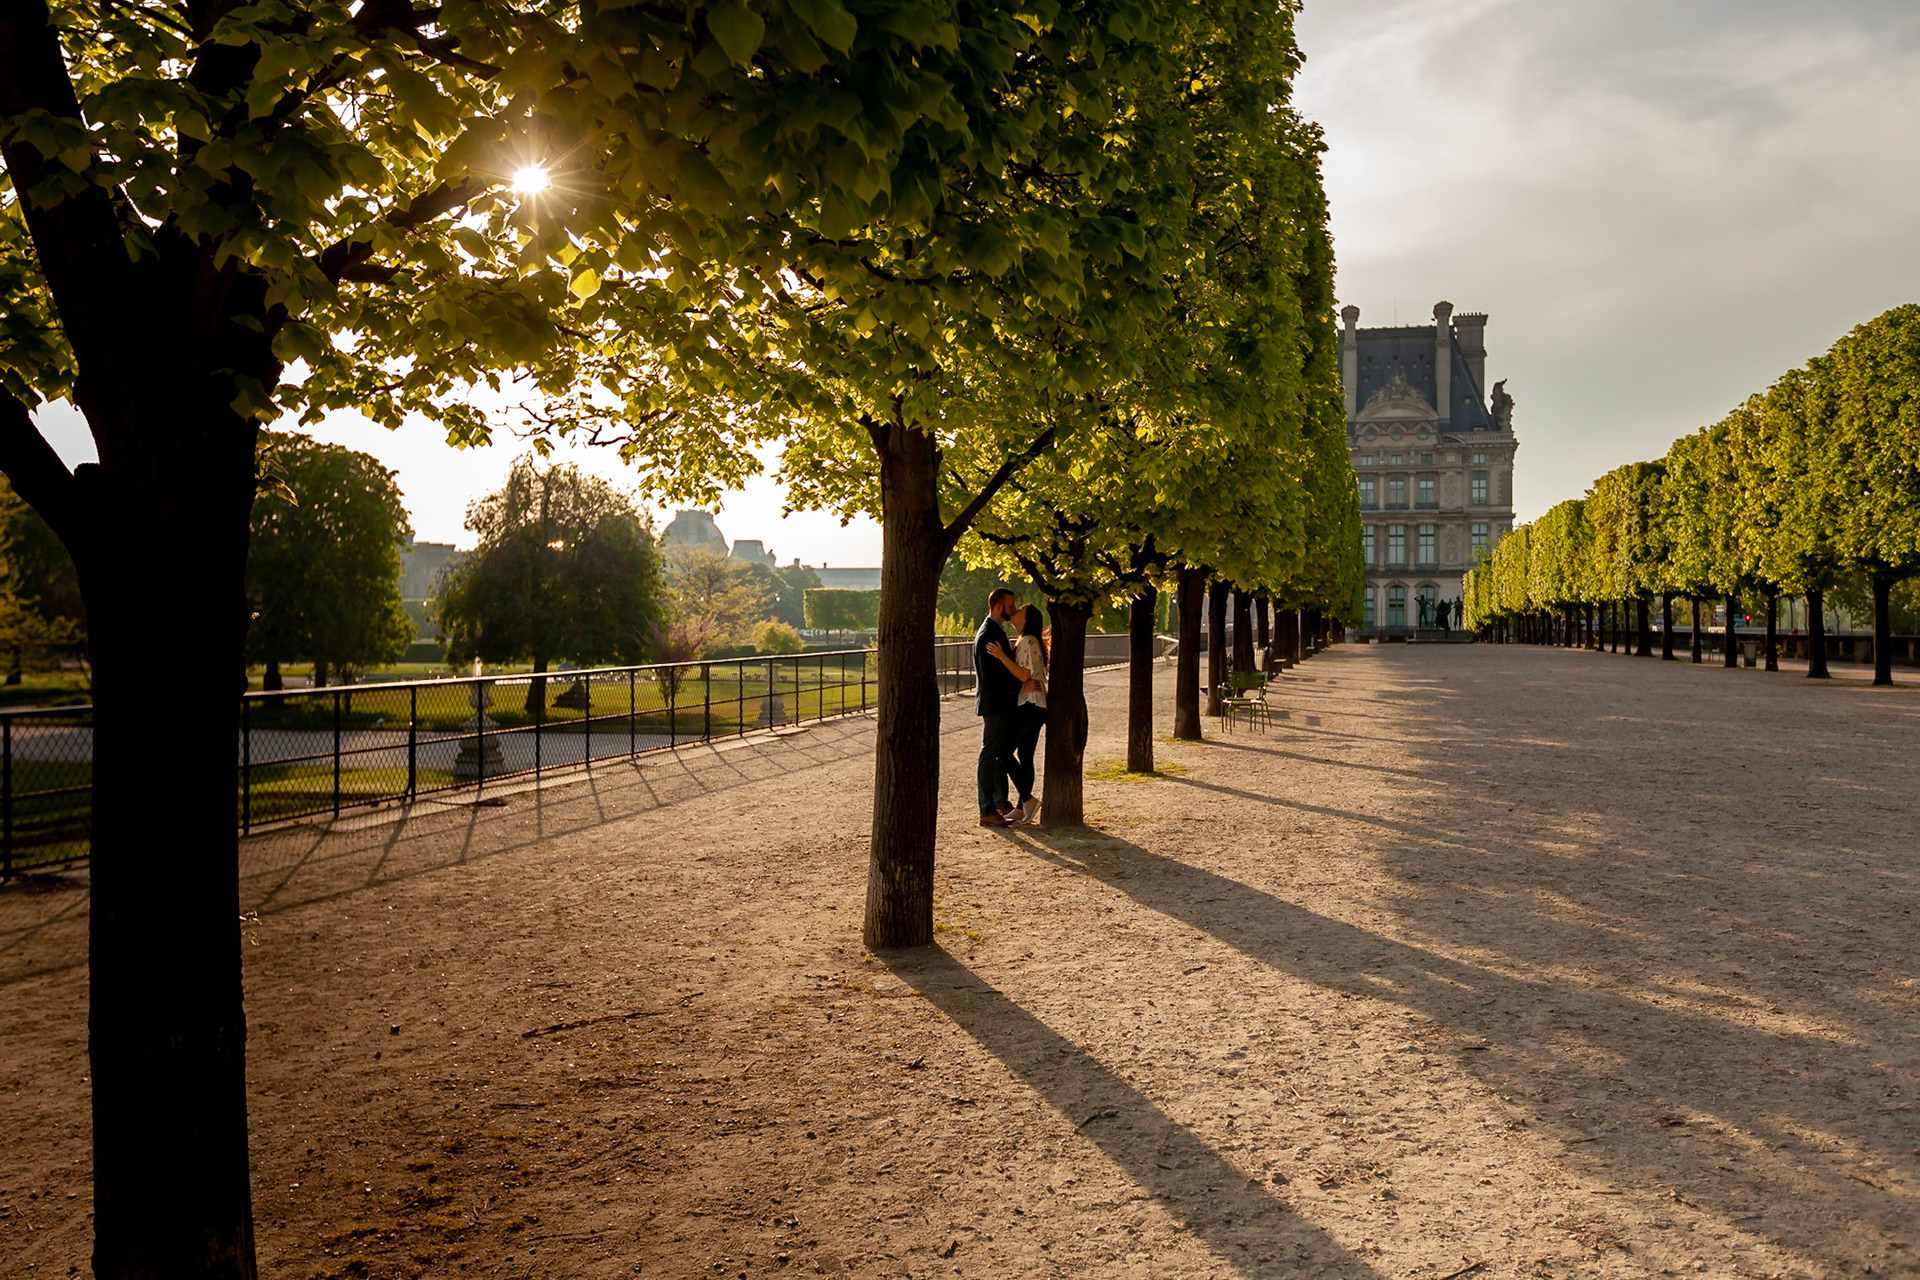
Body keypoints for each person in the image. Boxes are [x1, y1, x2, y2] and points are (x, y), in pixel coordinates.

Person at [988, 603, 1047, 822]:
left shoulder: (1029, 641)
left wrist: (1001, 656)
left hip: (1031, 706)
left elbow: (1024, 675)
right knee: (1024, 755)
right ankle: (1023, 807)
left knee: (1004, 752)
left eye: (1020, 610)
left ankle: (1027, 800)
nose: (1015, 612)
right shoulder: (1024, 640)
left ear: (1027, 618)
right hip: (1031, 704)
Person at [973, 588, 1025, 827]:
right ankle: (987, 809)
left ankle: (1000, 802)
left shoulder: (993, 630)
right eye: (1011, 605)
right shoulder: (989, 634)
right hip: (996, 703)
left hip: (997, 702)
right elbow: (992, 676)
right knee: (990, 755)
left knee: (996, 754)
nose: (1014, 609)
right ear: (999, 607)